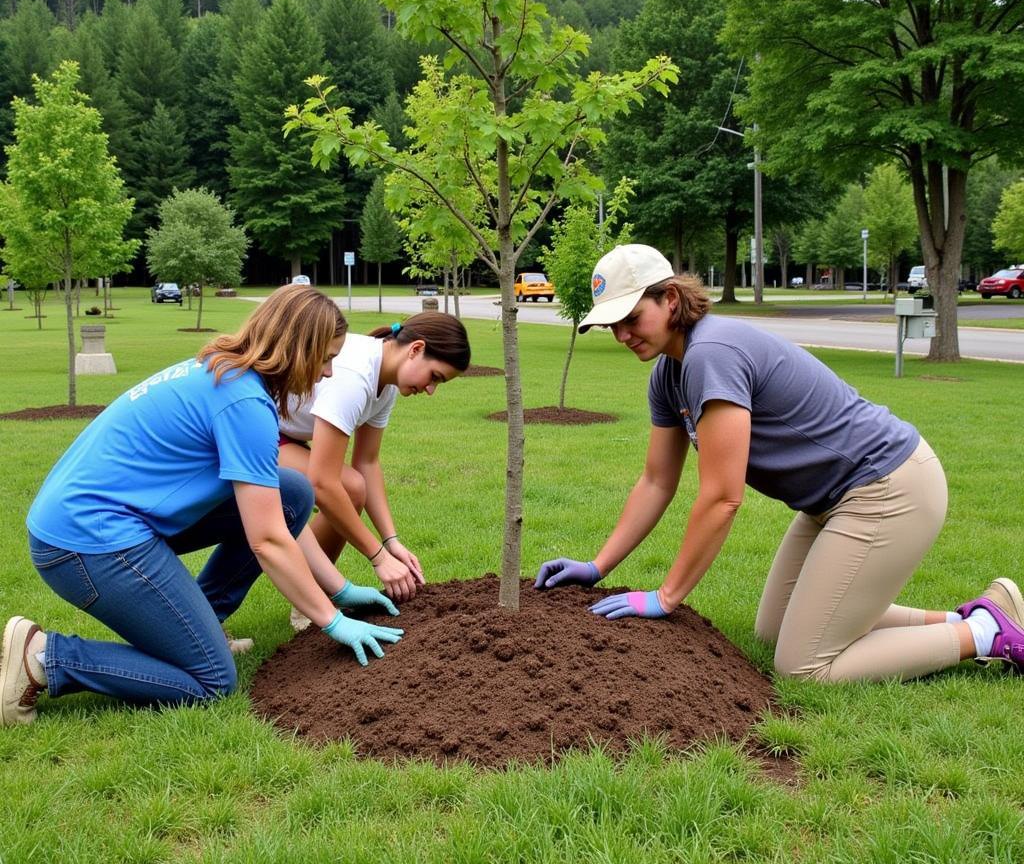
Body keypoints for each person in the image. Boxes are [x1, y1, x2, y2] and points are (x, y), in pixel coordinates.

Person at [535, 244, 1024, 681]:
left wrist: (666, 596)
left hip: (887, 487)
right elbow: (656, 482)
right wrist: (597, 566)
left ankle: (987, 635)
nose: (621, 334)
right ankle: (972, 617)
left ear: (670, 299)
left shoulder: (712, 353)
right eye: (611, 324)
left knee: (805, 665)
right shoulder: (668, 372)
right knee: (773, 634)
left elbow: (723, 499)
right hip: (831, 501)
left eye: (630, 317)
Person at [1, 286, 403, 728]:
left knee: (292, 493)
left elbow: (275, 515)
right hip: (85, 544)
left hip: (108, 521)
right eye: (325, 358)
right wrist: (332, 620)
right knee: (212, 680)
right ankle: (44, 657)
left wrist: (341, 588)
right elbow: (268, 540)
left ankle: (198, 626)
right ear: (297, 349)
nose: (328, 373)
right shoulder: (244, 403)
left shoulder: (223, 371)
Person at [279, 312, 470, 619]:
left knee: (355, 485)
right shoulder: (354, 376)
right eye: (435, 377)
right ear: (416, 349)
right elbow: (322, 482)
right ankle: (310, 598)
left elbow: (367, 462)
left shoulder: (387, 383)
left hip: (287, 435)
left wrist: (391, 541)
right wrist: (378, 557)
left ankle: (309, 592)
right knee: (348, 487)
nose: (431, 390)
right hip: (258, 432)